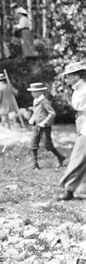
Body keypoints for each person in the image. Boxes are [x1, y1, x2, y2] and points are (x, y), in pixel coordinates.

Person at [58, 62, 86, 200]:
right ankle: (80, 188)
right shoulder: (76, 89)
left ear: (77, 75)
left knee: (78, 155)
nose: (67, 79)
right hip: (80, 120)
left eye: (69, 76)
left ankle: (68, 188)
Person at [26, 82, 65, 170]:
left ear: (40, 92)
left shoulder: (44, 101)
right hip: (36, 125)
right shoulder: (35, 101)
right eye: (32, 92)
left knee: (48, 145)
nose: (32, 94)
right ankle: (35, 164)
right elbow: (36, 112)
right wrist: (32, 119)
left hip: (45, 127)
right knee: (33, 144)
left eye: (34, 92)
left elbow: (52, 113)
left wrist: (45, 122)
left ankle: (60, 157)